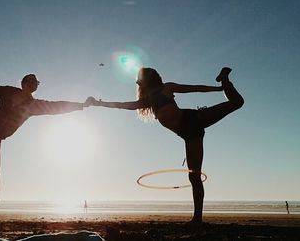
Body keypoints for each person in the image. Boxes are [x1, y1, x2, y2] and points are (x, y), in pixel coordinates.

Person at [88, 67, 244, 224]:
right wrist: (98, 103)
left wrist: (219, 88)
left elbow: (195, 88)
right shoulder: (147, 101)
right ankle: (197, 219)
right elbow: (123, 105)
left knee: (237, 102)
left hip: (194, 119)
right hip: (189, 135)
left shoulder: (167, 88)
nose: (137, 82)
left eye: (139, 79)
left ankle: (224, 79)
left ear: (148, 80)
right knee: (194, 176)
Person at [0, 74, 92, 222]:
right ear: (24, 83)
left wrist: (81, 105)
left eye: (37, 82)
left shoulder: (34, 106)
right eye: (33, 81)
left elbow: (57, 106)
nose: (35, 83)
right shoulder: (9, 92)